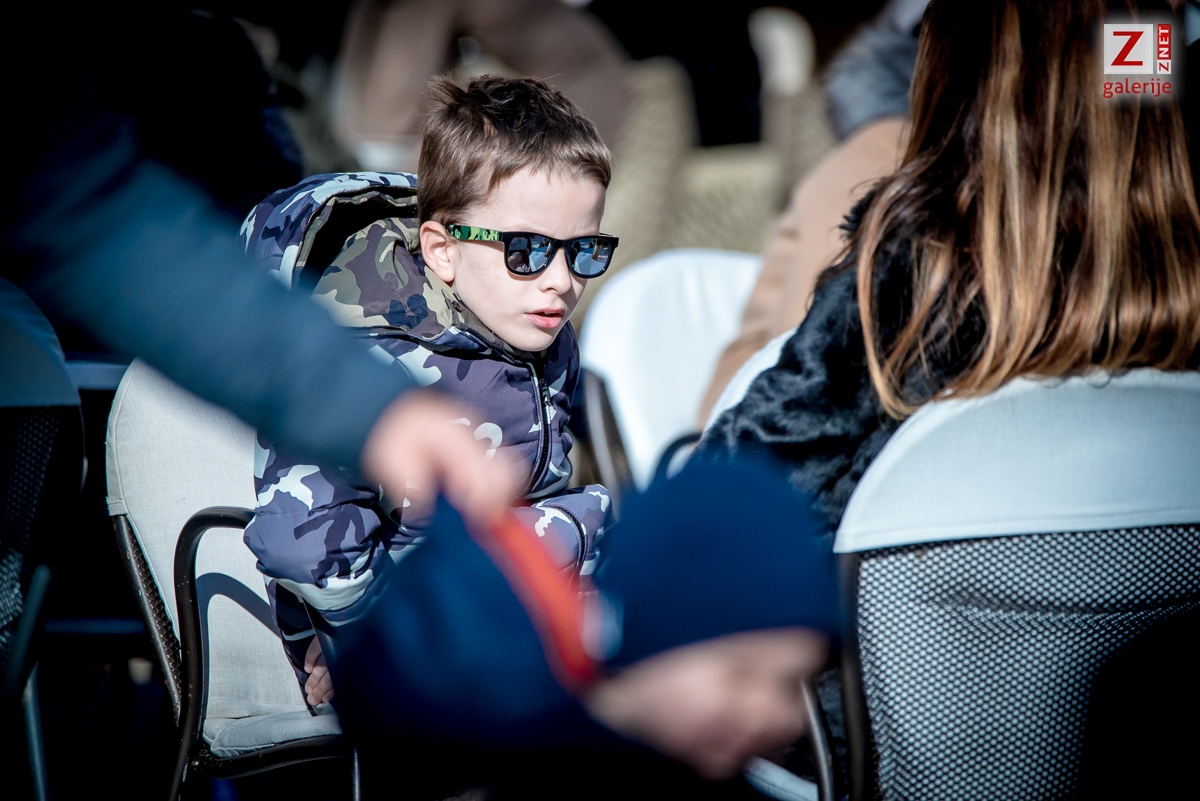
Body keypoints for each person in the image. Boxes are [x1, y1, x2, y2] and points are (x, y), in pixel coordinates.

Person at [699, 0, 1200, 537]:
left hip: (910, 592)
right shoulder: (1179, 273)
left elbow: (731, 494)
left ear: (953, 69)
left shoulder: (920, 269)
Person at [246, 75, 617, 704]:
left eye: (584, 250)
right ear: (443, 252)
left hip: (517, 611)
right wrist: (375, 635)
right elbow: (298, 538)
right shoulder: (364, 362)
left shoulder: (539, 330)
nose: (561, 280)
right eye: (528, 250)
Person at [330, 457, 839, 798]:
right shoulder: (540, 751)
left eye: (793, 683)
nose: (776, 714)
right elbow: (389, 697)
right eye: (739, 674)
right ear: (647, 644)